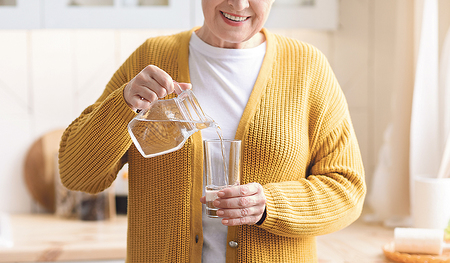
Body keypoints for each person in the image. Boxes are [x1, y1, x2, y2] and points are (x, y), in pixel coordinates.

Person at [58, 0, 366, 262]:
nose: (239, 4)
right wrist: (124, 103)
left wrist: (268, 204)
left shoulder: (308, 67)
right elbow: (76, 174)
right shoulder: (151, 57)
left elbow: (347, 188)